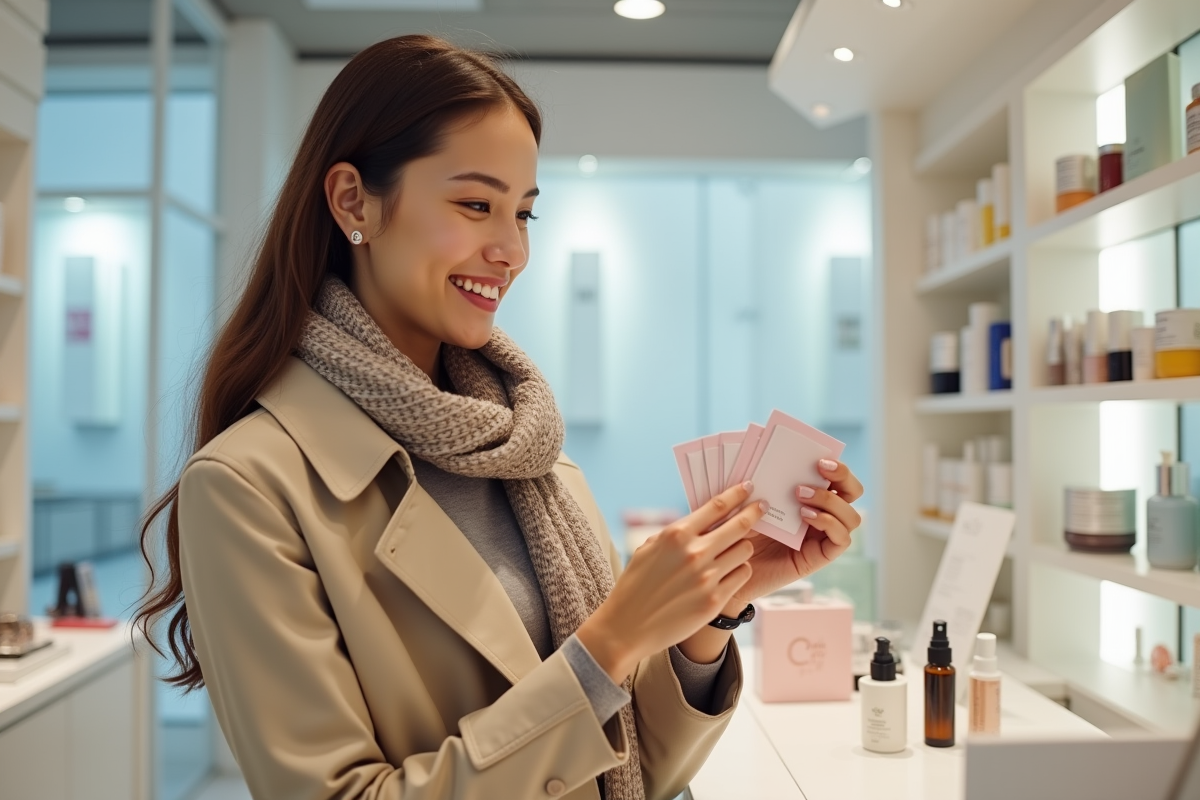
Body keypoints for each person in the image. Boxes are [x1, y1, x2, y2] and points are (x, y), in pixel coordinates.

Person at [134, 34, 864, 800]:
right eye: (476, 205)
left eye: (524, 214)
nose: (510, 250)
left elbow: (633, 771)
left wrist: (714, 610)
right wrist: (608, 645)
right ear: (354, 201)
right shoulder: (248, 487)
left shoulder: (531, 452)